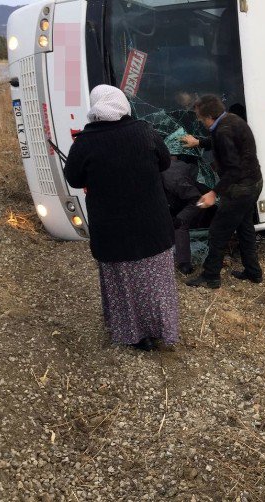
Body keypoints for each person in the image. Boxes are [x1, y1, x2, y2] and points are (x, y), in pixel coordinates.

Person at [63, 85, 178, 351]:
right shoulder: (144, 131)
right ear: (122, 104)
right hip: (152, 225)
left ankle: (135, 336)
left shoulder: (85, 142)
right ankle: (162, 329)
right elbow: (165, 163)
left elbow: (74, 178)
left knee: (122, 286)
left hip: (112, 231)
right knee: (157, 282)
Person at [181, 94, 263, 288]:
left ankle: (211, 276)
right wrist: (199, 143)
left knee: (217, 232)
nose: (200, 122)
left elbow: (233, 169)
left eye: (201, 118)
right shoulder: (230, 120)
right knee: (244, 228)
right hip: (254, 183)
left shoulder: (222, 131)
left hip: (240, 189)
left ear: (209, 116)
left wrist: (213, 192)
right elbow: (222, 142)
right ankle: (254, 272)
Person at [161, 158, 215, 275]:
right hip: (177, 196)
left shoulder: (174, 181)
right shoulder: (153, 180)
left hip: (201, 196)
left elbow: (197, 199)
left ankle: (184, 264)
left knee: (180, 224)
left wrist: (181, 217)